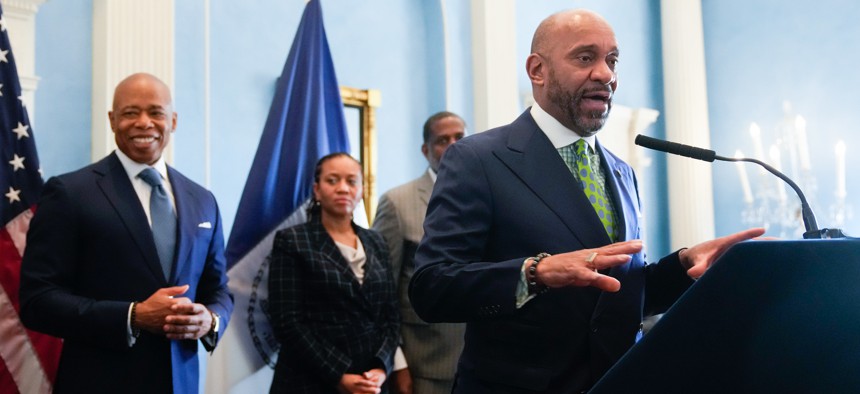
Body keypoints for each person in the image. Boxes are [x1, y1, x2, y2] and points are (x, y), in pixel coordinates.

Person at [408, 9, 765, 394]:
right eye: (585, 57)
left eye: (612, 61)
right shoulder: (478, 158)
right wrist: (535, 273)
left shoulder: (622, 171)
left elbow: (618, 292)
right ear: (537, 70)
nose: (606, 74)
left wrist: (683, 265)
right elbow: (432, 288)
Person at [19, 73, 233, 394]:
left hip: (182, 384)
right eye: (131, 112)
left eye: (156, 112)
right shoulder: (69, 192)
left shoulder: (202, 199)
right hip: (100, 382)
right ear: (112, 120)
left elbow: (218, 289)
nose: (144, 123)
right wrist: (132, 316)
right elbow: (38, 301)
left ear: (172, 120)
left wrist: (210, 320)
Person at [268, 152, 400, 394]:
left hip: (370, 381)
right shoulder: (292, 241)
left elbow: (391, 316)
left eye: (351, 181)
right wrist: (339, 374)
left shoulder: (376, 241)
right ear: (317, 190)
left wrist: (382, 367)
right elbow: (287, 322)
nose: (343, 188)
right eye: (332, 180)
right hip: (310, 380)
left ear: (361, 189)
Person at [373, 111, 467, 394]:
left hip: (484, 361)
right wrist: (397, 364)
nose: (452, 145)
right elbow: (381, 291)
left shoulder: (489, 193)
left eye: (459, 137)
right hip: (424, 366)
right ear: (426, 150)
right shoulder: (397, 203)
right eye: (442, 140)